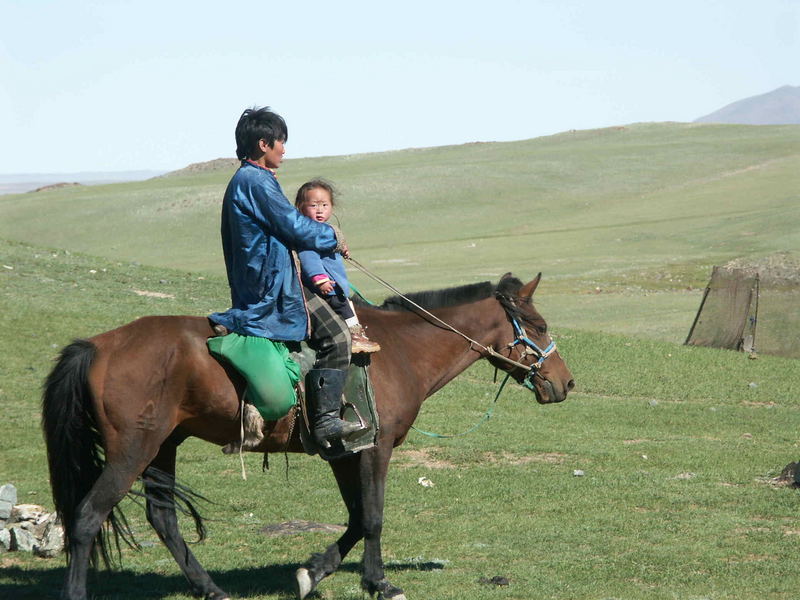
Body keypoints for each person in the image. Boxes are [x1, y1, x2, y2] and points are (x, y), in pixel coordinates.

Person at [209, 106, 364, 450]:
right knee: (338, 336)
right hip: (272, 284)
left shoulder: (253, 179)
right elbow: (291, 226)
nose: (284, 149)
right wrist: (331, 238)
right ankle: (325, 422)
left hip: (271, 275)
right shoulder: (255, 181)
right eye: (281, 142)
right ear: (264, 144)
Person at [295, 179, 381, 354]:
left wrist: (341, 249)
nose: (320, 210)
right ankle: (355, 337)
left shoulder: (324, 230)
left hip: (335, 284)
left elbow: (330, 248)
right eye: (313, 205)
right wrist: (320, 280)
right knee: (343, 307)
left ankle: (356, 334)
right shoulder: (308, 234)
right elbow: (309, 257)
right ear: (301, 207)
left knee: (346, 304)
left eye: (324, 205)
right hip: (328, 286)